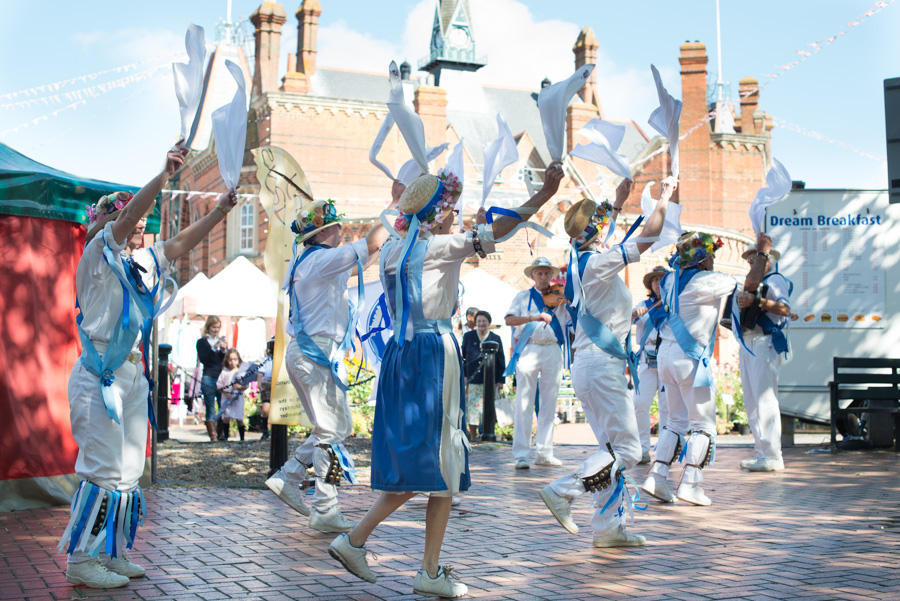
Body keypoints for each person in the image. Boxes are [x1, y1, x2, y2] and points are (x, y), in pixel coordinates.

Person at [327, 161, 565, 598]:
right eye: (450, 208)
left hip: (403, 354)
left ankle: (428, 570)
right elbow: (497, 232)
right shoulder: (436, 247)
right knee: (437, 460)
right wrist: (542, 197)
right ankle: (357, 540)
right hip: (432, 353)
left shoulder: (397, 249)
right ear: (437, 213)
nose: (456, 214)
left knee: (444, 464)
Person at [59, 145, 238, 589]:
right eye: (127, 221)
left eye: (139, 225)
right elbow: (123, 221)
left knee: (127, 472)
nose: (137, 229)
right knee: (101, 468)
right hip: (99, 376)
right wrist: (161, 178)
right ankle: (81, 560)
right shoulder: (97, 256)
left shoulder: (138, 263)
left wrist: (219, 212)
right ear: (103, 224)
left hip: (132, 376)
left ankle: (112, 553)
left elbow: (177, 244)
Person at [538, 176, 676, 548]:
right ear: (596, 235)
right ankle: (564, 490)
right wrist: (663, 197)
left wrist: (617, 202)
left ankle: (607, 529)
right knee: (628, 450)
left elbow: (605, 232)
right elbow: (646, 238)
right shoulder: (597, 263)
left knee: (611, 450)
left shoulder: (580, 262)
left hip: (591, 364)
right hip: (600, 367)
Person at [264, 185, 395, 533]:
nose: (343, 230)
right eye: (337, 226)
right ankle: (318, 503)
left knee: (331, 428)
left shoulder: (313, 262)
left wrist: (392, 243)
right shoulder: (320, 260)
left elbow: (364, 258)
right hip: (315, 352)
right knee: (334, 429)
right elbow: (368, 245)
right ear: (321, 232)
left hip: (309, 353)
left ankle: (296, 483)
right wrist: (395, 205)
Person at [641, 230, 775, 506]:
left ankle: (657, 476)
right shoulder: (709, 280)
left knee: (675, 422)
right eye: (711, 254)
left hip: (666, 354)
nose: (714, 259)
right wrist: (762, 252)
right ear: (702, 259)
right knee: (702, 425)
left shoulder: (668, 280)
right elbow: (751, 282)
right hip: (689, 359)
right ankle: (690, 484)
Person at [504, 256, 569, 468]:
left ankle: (544, 452)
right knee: (524, 401)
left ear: (551, 276)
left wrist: (569, 299)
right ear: (533, 275)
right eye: (539, 273)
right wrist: (533, 318)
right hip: (529, 346)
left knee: (549, 401)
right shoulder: (523, 297)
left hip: (552, 348)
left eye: (546, 273)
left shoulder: (560, 296)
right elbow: (509, 320)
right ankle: (521, 454)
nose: (542, 277)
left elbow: (573, 317)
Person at [736, 243, 791, 472]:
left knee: (764, 399)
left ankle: (772, 454)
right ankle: (762, 452)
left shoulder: (774, 279)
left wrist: (755, 301)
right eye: (749, 259)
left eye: (755, 258)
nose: (752, 262)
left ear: (767, 259)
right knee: (752, 399)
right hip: (750, 340)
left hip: (763, 339)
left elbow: (785, 309)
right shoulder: (754, 282)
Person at [631, 266, 670, 463]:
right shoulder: (644, 304)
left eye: (661, 279)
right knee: (639, 404)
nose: (657, 283)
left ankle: (665, 451)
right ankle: (642, 449)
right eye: (654, 280)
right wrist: (634, 313)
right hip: (647, 359)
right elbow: (628, 318)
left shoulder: (673, 303)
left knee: (667, 407)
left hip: (666, 357)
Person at [461, 310, 506, 442]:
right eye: (479, 321)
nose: (481, 324)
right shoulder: (468, 337)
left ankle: (487, 433)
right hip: (473, 378)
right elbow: (463, 357)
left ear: (489, 323)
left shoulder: (495, 338)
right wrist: (464, 375)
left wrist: (500, 380)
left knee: (488, 408)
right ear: (475, 323)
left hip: (490, 380)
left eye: (484, 321)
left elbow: (501, 360)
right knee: (473, 408)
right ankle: (473, 436)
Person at [196, 315, 227, 442]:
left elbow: (226, 361)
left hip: (220, 377)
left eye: (217, 327)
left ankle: (220, 434)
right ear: (208, 327)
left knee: (221, 406)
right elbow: (204, 359)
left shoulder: (221, 342)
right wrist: (214, 348)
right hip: (208, 376)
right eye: (213, 327)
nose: (215, 330)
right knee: (210, 407)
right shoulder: (202, 342)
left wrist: (224, 351)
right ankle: (213, 436)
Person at [215, 349, 250, 442]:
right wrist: (225, 393)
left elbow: (246, 385)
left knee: (239, 418)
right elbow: (219, 385)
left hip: (237, 398)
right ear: (227, 360)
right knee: (226, 417)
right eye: (230, 359)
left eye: (235, 359)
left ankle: (242, 437)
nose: (232, 362)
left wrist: (240, 386)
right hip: (226, 398)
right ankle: (225, 435)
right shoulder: (224, 372)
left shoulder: (241, 372)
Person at [254, 338, 274, 441]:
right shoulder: (266, 360)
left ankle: (275, 432)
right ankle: (265, 431)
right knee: (265, 409)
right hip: (267, 386)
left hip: (279, 385)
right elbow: (260, 373)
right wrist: (259, 384)